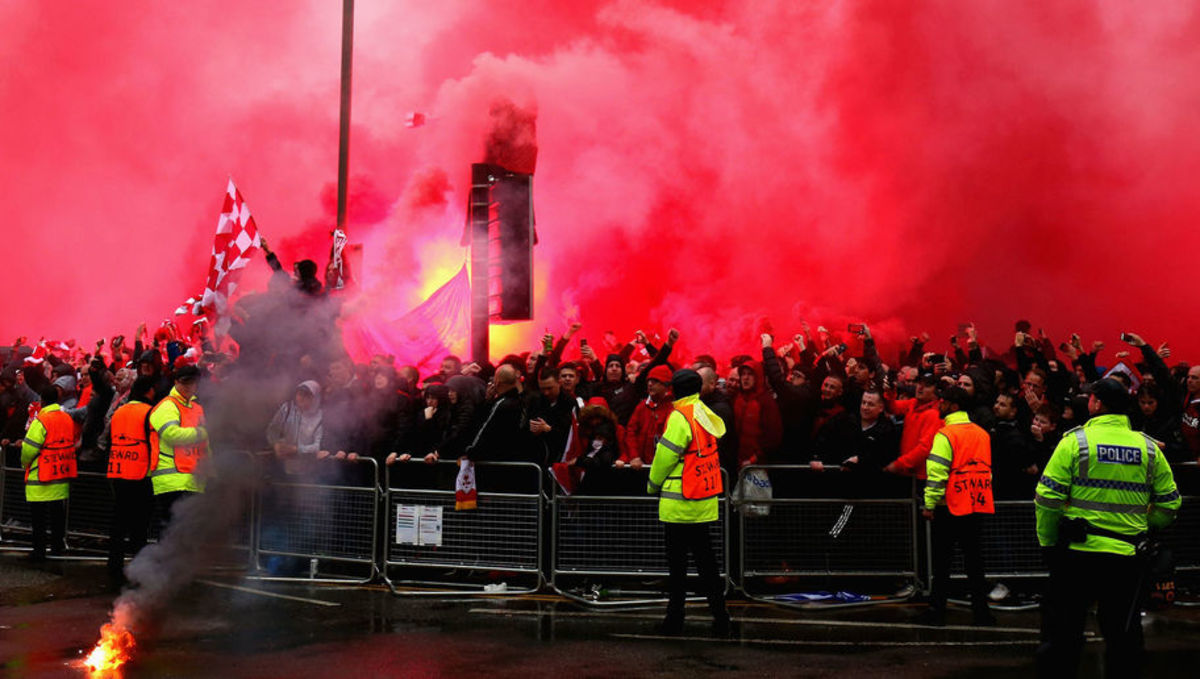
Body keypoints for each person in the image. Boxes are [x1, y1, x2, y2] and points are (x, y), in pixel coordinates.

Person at [1034, 378, 1181, 678]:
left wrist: (1048, 541)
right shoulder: (1149, 448)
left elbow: (1047, 497)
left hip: (1078, 555)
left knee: (1064, 635)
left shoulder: (1075, 442)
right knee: (1124, 638)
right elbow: (1170, 504)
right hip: (1127, 557)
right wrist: (1142, 527)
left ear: (1096, 404)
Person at [646, 368, 732, 637]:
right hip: (703, 501)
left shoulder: (679, 417)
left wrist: (652, 485)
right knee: (708, 566)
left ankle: (674, 621)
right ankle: (721, 619)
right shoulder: (704, 413)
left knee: (678, 569)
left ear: (674, 390)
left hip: (680, 504)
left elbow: (665, 456)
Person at [916, 385, 996, 627]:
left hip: (948, 506)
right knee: (975, 563)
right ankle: (981, 612)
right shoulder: (982, 434)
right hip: (975, 505)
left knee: (942, 563)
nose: (939, 404)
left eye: (943, 401)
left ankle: (937, 611)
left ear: (953, 406)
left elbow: (937, 473)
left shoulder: (946, 435)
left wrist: (929, 504)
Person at [104, 375, 157, 589]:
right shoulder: (149, 413)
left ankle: (114, 566)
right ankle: (138, 571)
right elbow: (154, 444)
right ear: (149, 391)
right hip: (140, 475)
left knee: (118, 524)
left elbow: (109, 440)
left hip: (117, 472)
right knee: (139, 527)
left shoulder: (119, 411)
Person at [21, 383, 78, 561]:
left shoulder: (42, 420)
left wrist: (24, 463)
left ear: (42, 401)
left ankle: (39, 552)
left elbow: (29, 449)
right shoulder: (67, 418)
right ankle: (56, 548)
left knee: (38, 518)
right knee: (57, 516)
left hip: (41, 476)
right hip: (61, 475)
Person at [148, 364, 210, 518]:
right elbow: (172, 434)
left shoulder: (196, 408)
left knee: (184, 532)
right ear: (176, 382)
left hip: (193, 479)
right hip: (172, 481)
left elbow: (205, 445)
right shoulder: (167, 406)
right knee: (172, 530)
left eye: (193, 382)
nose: (189, 386)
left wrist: (211, 470)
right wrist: (201, 433)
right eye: (185, 382)